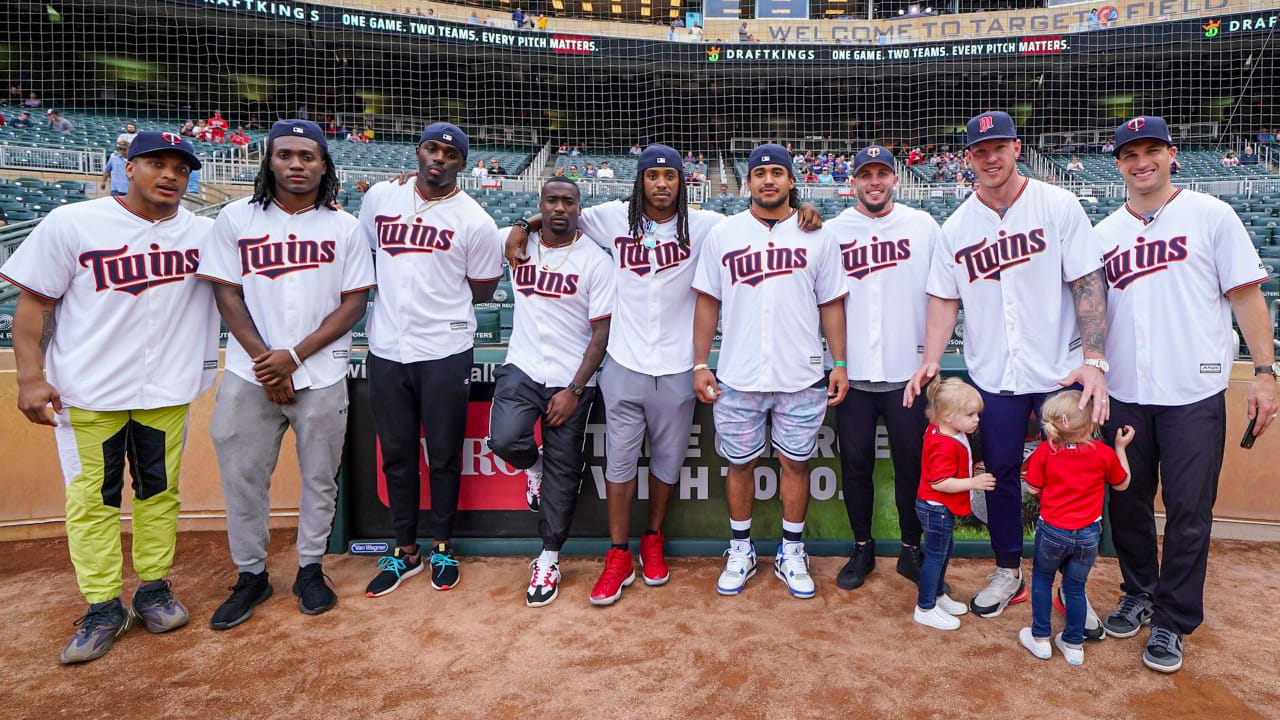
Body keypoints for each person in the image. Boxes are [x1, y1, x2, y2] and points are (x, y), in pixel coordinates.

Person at [0, 131, 217, 664]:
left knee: (158, 495)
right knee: (93, 502)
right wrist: (30, 378)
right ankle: (102, 605)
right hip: (88, 393)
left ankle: (153, 588)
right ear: (128, 166)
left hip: (165, 391)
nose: (169, 175)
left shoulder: (205, 231)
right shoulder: (73, 222)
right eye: (156, 163)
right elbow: (32, 306)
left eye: (181, 168)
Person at [905, 111, 1110, 619]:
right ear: (967, 157)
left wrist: (1094, 360)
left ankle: (1067, 585)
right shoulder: (957, 226)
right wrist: (932, 359)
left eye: (998, 146)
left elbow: (1088, 284)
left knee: (1073, 472)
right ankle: (1007, 571)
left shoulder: (1057, 205)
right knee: (998, 475)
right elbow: (943, 299)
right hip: (995, 374)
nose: (989, 157)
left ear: (1017, 148)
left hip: (1059, 371)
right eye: (979, 150)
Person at [1095, 115, 1277, 673]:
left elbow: (1246, 297)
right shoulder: (1104, 234)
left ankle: (1173, 619)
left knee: (1189, 510)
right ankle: (1139, 591)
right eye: (1130, 153)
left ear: (1172, 154)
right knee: (1127, 502)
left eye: (1152, 150)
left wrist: (1266, 372)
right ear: (1119, 162)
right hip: (1124, 390)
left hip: (1193, 390)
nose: (1141, 161)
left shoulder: (1211, 216)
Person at [198, 120, 375, 630]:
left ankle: (310, 567)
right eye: (285, 155)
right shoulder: (236, 217)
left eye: (307, 156)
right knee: (243, 477)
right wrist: (265, 360)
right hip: (250, 374)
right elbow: (226, 293)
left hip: (319, 371)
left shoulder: (344, 226)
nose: (296, 164)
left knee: (320, 478)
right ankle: (251, 573)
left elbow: (353, 303)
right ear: (269, 161)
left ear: (324, 164)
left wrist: (292, 358)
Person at [692, 143, 849, 600]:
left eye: (777, 173)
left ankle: (791, 549)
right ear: (747, 183)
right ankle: (740, 547)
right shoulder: (724, 234)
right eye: (759, 173)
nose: (767, 180)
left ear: (791, 181)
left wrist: (838, 363)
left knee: (795, 462)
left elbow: (831, 303)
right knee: (739, 464)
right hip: (738, 373)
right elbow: (707, 301)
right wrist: (702, 362)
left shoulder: (817, 234)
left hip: (800, 373)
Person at [358, 123, 502, 597]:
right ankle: (404, 549)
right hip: (386, 346)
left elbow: (482, 288)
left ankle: (442, 544)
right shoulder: (381, 196)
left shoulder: (475, 219)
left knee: (442, 455)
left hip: (444, 348)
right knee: (397, 455)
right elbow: (367, 256)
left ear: (463, 163)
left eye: (450, 153)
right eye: (431, 148)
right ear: (418, 152)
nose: (439, 158)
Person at [488, 180, 614, 607]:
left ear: (580, 207)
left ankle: (549, 557)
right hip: (522, 365)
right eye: (551, 201)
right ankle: (532, 464)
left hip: (570, 377)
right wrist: (522, 225)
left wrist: (575, 390)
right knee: (505, 439)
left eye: (568, 201)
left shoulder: (596, 260)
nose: (559, 208)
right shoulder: (517, 243)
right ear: (540, 205)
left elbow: (601, 334)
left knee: (565, 471)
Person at [824, 146, 944, 592]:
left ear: (895, 179)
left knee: (911, 465)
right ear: (852, 181)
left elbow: (942, 292)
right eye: (865, 175)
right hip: (851, 373)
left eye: (882, 174)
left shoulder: (923, 226)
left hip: (906, 373)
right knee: (854, 463)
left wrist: (930, 356)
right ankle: (862, 545)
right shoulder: (833, 231)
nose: (874, 181)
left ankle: (911, 550)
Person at [1019, 390, 1132, 665]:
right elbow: (1122, 483)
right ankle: (1073, 645)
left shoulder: (1046, 451)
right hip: (1088, 535)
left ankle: (1041, 639)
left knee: (1043, 581)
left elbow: (1032, 487)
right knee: (1075, 588)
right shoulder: (1103, 454)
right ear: (1093, 425)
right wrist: (1120, 448)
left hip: (1052, 531)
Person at [913, 378, 995, 630]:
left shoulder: (943, 427)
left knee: (944, 551)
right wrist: (974, 482)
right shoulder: (944, 444)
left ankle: (937, 596)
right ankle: (925, 607)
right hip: (935, 508)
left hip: (939, 508)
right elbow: (940, 482)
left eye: (976, 414)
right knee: (936, 556)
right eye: (970, 414)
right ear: (948, 416)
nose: (977, 419)